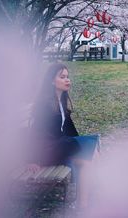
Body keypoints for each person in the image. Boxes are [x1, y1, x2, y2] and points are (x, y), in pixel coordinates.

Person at [27, 62, 100, 209]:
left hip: (59, 146)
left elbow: (69, 128)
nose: (67, 80)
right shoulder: (45, 105)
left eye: (67, 77)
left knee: (89, 155)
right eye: (62, 77)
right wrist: (31, 159)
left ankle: (83, 203)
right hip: (47, 151)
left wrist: (79, 143)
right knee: (91, 149)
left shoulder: (60, 101)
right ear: (52, 81)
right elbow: (34, 134)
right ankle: (85, 203)